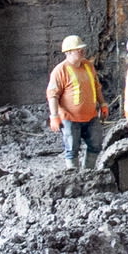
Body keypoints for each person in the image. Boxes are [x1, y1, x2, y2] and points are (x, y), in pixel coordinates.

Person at [46, 36, 104, 170]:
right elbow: (52, 95)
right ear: (69, 52)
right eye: (78, 49)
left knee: (96, 145)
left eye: (82, 48)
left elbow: (97, 86)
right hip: (70, 119)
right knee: (72, 149)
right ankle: (73, 175)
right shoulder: (60, 71)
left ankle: (88, 172)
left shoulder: (88, 66)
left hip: (91, 116)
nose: (82, 51)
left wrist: (103, 104)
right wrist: (54, 116)